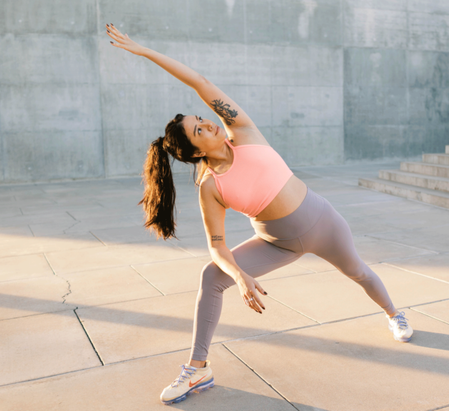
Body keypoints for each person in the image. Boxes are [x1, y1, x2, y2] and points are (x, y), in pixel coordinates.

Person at [105, 24, 413, 405]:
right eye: (199, 130)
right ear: (197, 151)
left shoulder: (244, 130)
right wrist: (240, 275)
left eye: (202, 119)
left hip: (323, 223)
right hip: (277, 242)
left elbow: (199, 82)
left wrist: (145, 52)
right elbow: (216, 245)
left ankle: (394, 313)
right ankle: (198, 369)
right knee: (212, 275)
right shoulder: (210, 187)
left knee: (359, 273)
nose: (208, 123)